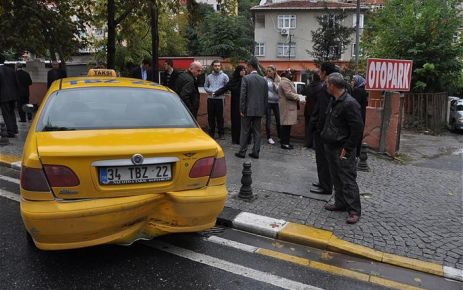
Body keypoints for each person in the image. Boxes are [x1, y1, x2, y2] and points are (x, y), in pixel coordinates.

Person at [321, 72, 364, 224]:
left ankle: (354, 210)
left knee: (347, 178)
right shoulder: (335, 100)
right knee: (336, 176)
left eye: (327, 84)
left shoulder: (350, 103)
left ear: (332, 85)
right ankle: (340, 203)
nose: (325, 86)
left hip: (343, 148)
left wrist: (348, 147)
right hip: (331, 145)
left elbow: (357, 128)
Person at [309, 62, 338, 195]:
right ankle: (323, 182)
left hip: (324, 130)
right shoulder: (331, 85)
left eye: (320, 71)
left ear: (325, 72)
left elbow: (325, 111)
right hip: (326, 128)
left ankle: (325, 186)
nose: (318, 73)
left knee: (323, 159)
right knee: (323, 159)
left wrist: (319, 127)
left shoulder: (327, 87)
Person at [235, 58, 268, 159]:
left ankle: (242, 152)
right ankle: (256, 152)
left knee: (245, 131)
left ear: (250, 66)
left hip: (247, 110)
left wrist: (241, 109)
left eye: (247, 67)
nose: (246, 69)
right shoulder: (263, 79)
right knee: (257, 131)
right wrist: (264, 110)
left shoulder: (246, 78)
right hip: (259, 110)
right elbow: (265, 97)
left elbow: (243, 96)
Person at [214, 65, 246, 144]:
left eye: (244, 70)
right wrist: (216, 93)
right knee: (235, 121)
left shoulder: (246, 80)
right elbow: (225, 88)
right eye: (242, 70)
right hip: (235, 103)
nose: (244, 71)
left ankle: (244, 139)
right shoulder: (233, 80)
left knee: (244, 122)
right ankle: (235, 139)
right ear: (238, 71)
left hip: (244, 103)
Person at [278, 71, 305, 149]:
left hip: (288, 106)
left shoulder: (285, 81)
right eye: (289, 74)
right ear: (285, 75)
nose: (291, 75)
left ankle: (285, 142)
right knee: (286, 126)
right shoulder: (285, 82)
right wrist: (298, 96)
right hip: (287, 107)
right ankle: (284, 143)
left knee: (287, 126)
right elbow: (288, 94)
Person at [204, 60, 229, 139]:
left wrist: (219, 92)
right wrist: (211, 91)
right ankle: (211, 133)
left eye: (218, 65)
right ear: (212, 66)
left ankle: (221, 133)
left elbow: (227, 87)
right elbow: (205, 86)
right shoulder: (209, 76)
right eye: (215, 65)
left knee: (220, 117)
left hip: (220, 99)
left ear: (220, 66)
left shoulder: (225, 76)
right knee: (211, 117)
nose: (217, 67)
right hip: (210, 99)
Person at [0, 54, 19, 137]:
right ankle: (14, 129)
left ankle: (10, 132)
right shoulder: (11, 70)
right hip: (13, 95)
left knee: (6, 114)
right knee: (12, 112)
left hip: (3, 96)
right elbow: (16, 83)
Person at [303, 71, 323, 149]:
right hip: (316, 110)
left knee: (307, 127)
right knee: (316, 128)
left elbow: (303, 93)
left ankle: (308, 143)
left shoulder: (309, 86)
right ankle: (315, 144)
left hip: (307, 109)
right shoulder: (321, 87)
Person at [351, 74, 369, 157]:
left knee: (355, 133)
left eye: (353, 80)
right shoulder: (363, 90)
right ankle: (357, 152)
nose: (352, 82)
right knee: (359, 133)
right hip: (362, 114)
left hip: (357, 114)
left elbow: (354, 104)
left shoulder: (357, 91)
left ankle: (355, 152)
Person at [264, 65, 281, 145]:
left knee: (278, 119)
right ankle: (269, 137)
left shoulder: (278, 79)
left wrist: (275, 84)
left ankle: (280, 136)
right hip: (268, 102)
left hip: (276, 102)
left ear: (274, 71)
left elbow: (279, 91)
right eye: (267, 71)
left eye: (270, 71)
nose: (268, 73)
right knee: (268, 120)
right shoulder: (264, 79)